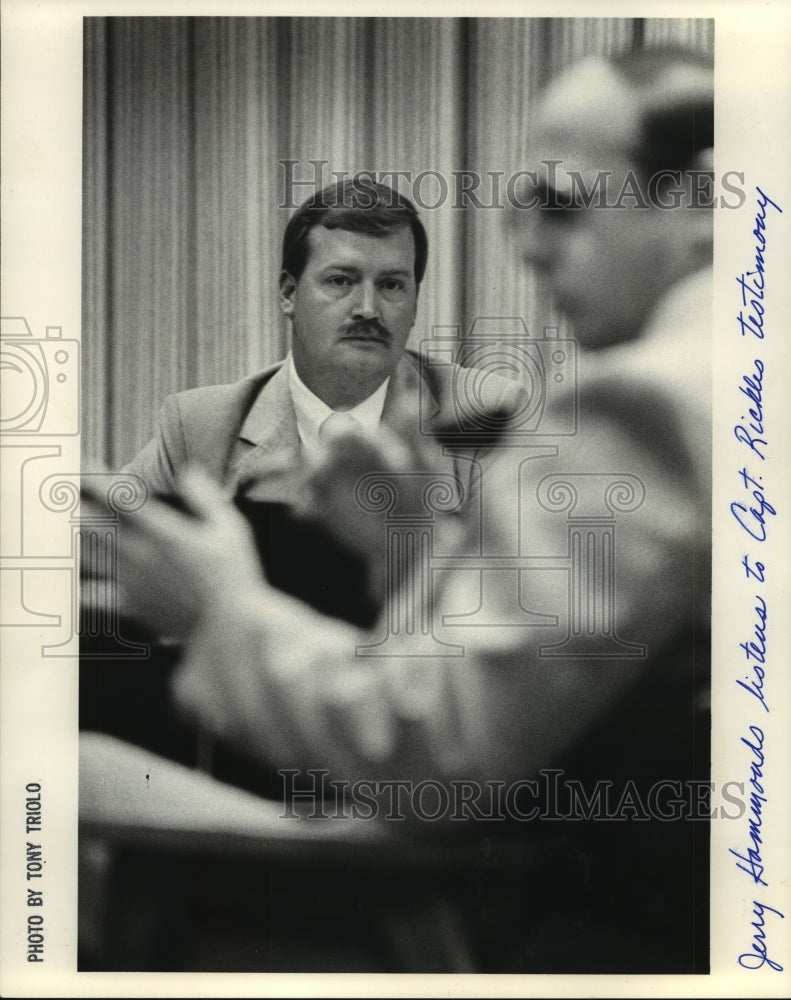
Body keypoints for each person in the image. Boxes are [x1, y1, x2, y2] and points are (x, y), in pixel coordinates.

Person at [106, 46, 713, 973]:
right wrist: (415, 547)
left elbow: (447, 743)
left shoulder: (627, 403)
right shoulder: (205, 417)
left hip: (546, 913)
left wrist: (219, 614)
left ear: (699, 200)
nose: (527, 245)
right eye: (338, 282)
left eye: (560, 203)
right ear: (287, 297)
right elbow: (546, 660)